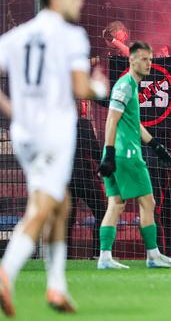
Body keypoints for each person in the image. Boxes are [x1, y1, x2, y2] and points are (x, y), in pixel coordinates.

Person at [0, 0, 110, 315]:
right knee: (44, 206)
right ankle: (5, 272)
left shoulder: (17, 35)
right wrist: (100, 89)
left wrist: (13, 112)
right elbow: (80, 88)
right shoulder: (71, 36)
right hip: (53, 134)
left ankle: (56, 287)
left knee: (60, 203)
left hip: (25, 132)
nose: (80, 0)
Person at [96, 41, 171, 270]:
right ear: (131, 59)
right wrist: (111, 153)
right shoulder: (125, 86)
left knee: (115, 204)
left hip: (118, 153)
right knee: (149, 202)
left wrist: (155, 145)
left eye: (150, 59)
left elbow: (133, 123)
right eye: (144, 59)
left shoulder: (131, 86)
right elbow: (111, 120)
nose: (148, 64)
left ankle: (104, 257)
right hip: (127, 154)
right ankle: (153, 256)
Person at [68, 100, 107, 259]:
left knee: (67, 220)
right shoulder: (83, 124)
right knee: (102, 213)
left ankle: (65, 256)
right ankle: (98, 253)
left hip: (66, 179)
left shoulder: (57, 124)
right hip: (85, 177)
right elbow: (96, 151)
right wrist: (104, 167)